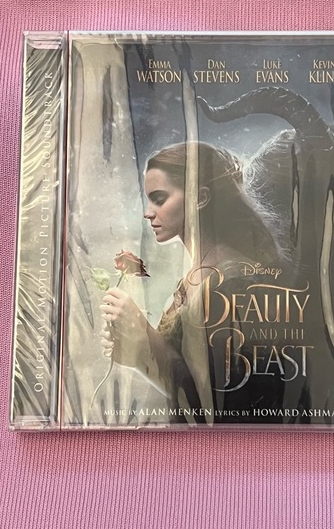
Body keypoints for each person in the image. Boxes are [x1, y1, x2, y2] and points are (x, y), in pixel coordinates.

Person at [99, 141, 286, 424]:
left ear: (200, 197)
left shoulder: (233, 284)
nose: (148, 212)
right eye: (149, 200)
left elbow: (219, 404)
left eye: (159, 199)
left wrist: (144, 340)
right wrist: (134, 351)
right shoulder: (197, 275)